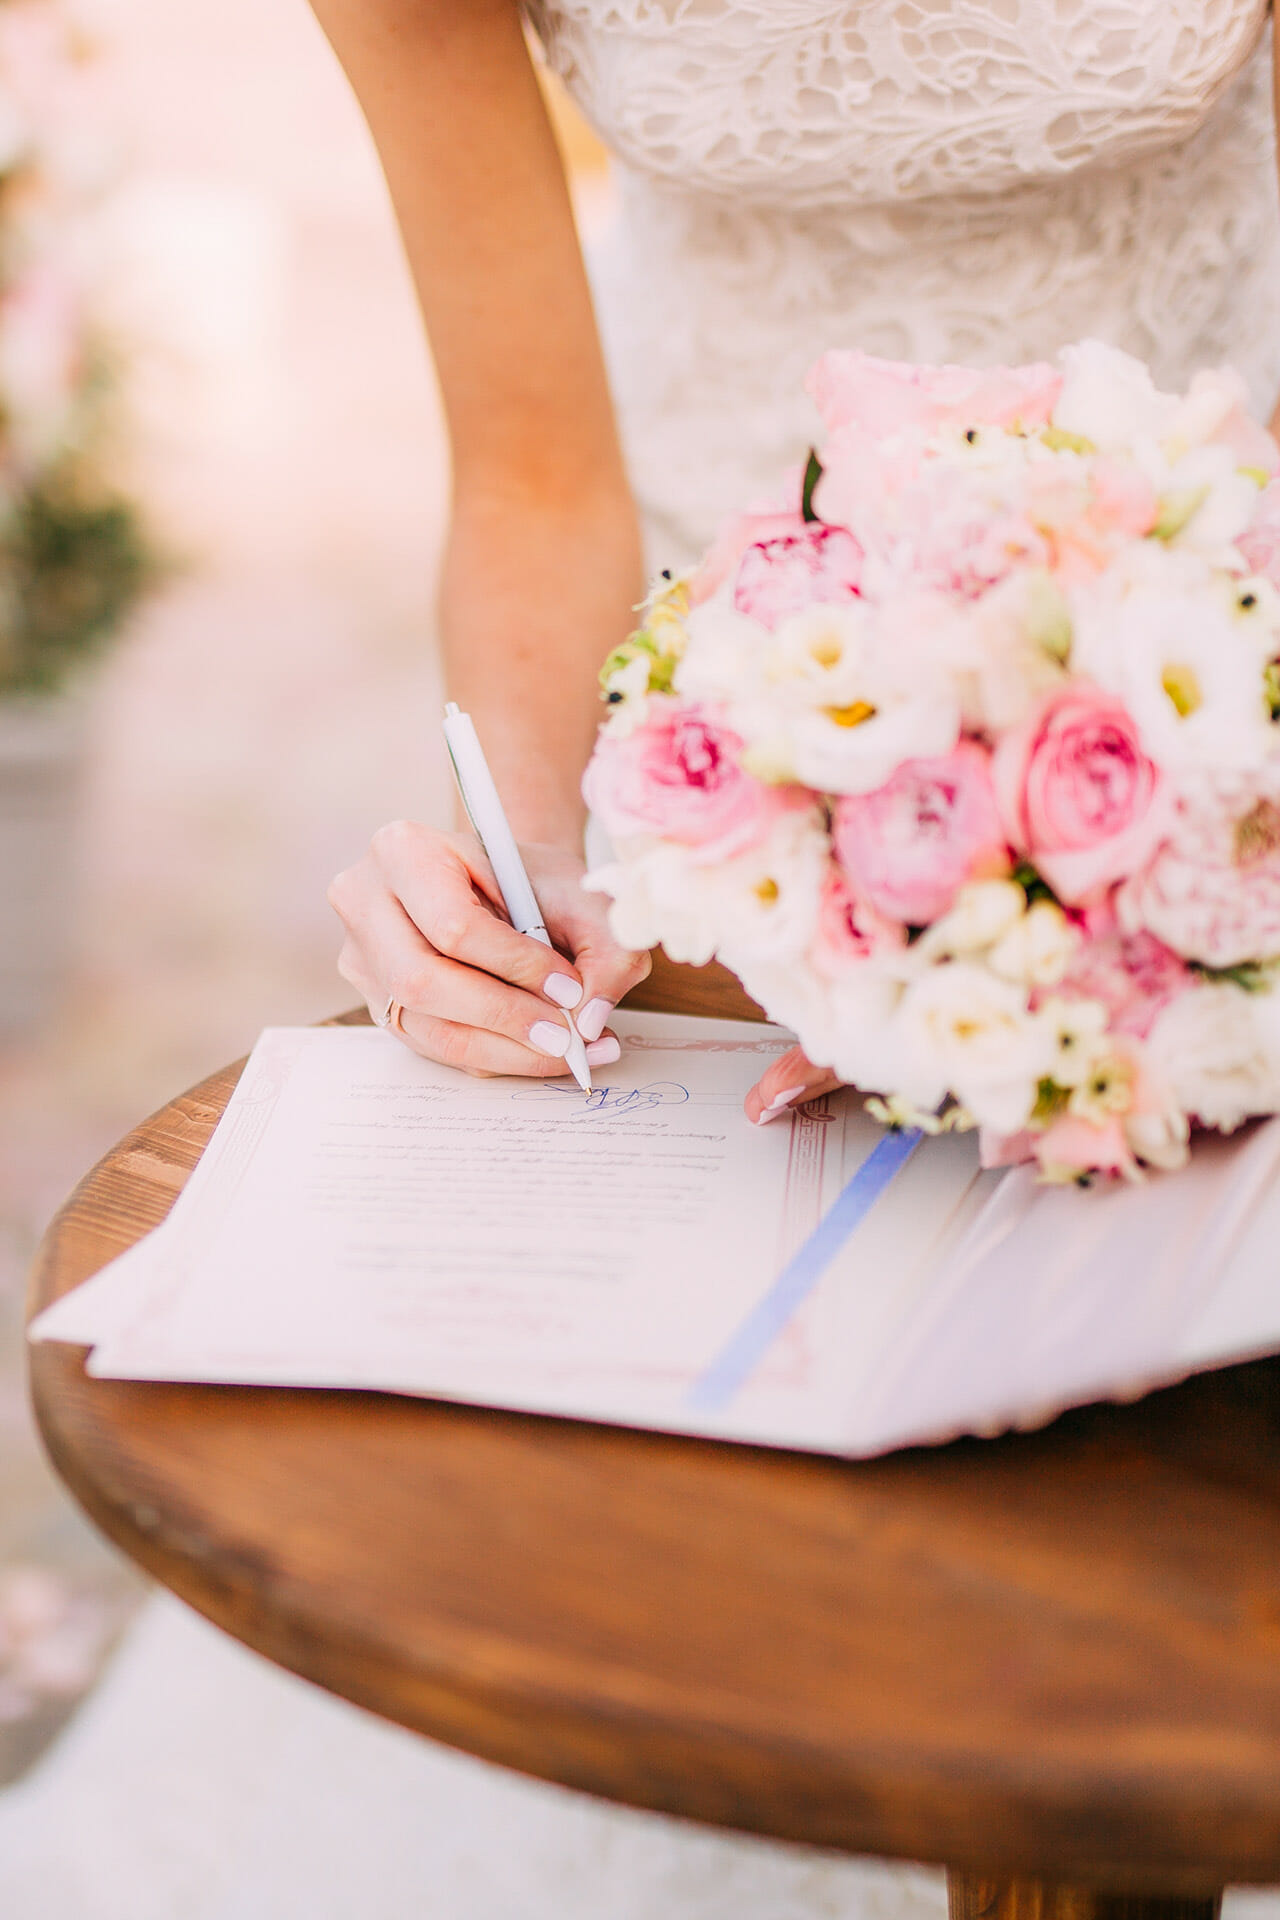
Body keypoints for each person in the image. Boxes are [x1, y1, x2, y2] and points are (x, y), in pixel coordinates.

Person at [318, 0, 1280, 1132]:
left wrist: (1091, 852)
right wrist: (520, 876)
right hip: (731, 675)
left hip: (1205, 603)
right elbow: (532, 477)